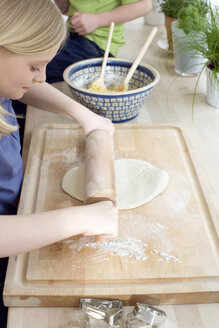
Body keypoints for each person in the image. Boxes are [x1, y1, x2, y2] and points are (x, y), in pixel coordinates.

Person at [0, 0, 118, 326]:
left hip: (16, 213)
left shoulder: (5, 78)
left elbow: (23, 89)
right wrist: (81, 219)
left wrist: (85, 116)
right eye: (35, 65)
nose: (40, 78)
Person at [46, 0, 153, 83]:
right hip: (71, 34)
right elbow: (65, 8)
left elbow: (144, 5)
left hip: (97, 44)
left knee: (39, 65)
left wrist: (97, 20)